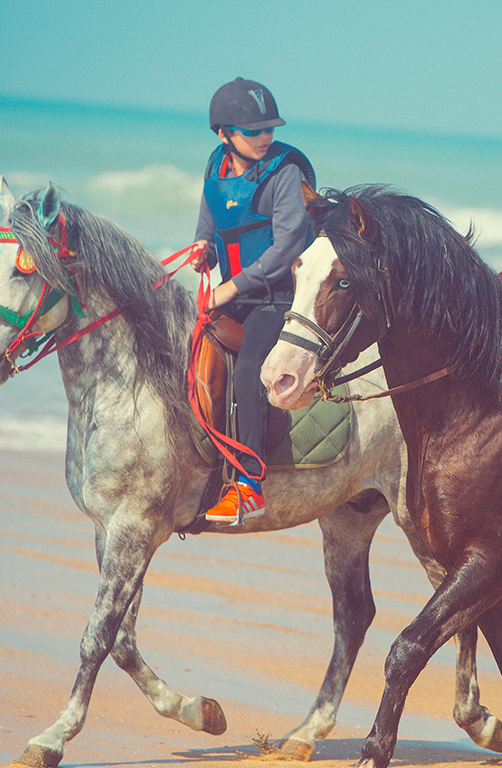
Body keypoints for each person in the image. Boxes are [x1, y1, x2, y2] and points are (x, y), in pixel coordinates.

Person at [190, 77, 316, 524]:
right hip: (240, 294)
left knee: (249, 370)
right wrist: (202, 249)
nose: (265, 138)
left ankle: (248, 486)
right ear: (224, 134)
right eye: (254, 131)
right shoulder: (215, 169)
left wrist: (231, 287)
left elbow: (286, 248)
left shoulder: (285, 173)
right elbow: (208, 226)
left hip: (281, 297)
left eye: (270, 129)